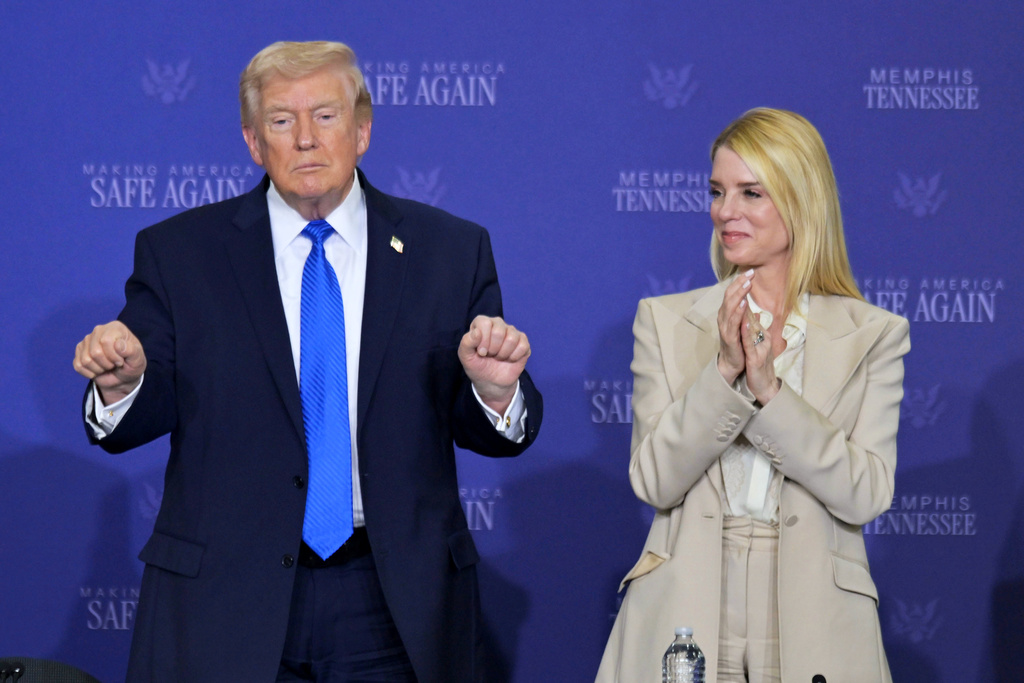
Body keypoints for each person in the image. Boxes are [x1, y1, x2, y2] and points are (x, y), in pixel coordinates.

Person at [72, 40, 543, 683]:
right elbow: (138, 414)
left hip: (393, 601)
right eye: (280, 120)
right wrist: (124, 384)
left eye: (325, 116)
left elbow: (486, 424)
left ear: (362, 130)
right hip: (226, 598)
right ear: (252, 141)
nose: (305, 139)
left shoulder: (449, 250)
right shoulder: (180, 253)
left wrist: (492, 393)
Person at [596, 108, 909, 682]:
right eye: (717, 192)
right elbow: (655, 480)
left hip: (813, 612)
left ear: (801, 200)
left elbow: (866, 492)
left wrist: (769, 392)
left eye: (751, 192)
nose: (725, 211)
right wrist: (723, 373)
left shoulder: (873, 335)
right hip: (688, 603)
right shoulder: (664, 321)